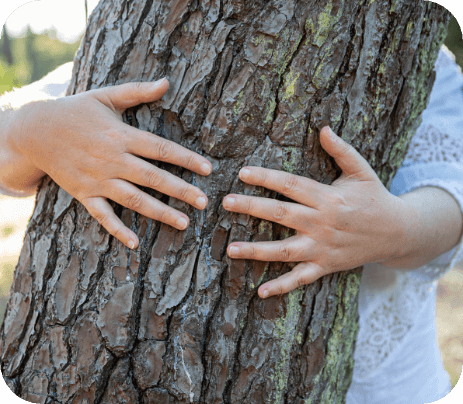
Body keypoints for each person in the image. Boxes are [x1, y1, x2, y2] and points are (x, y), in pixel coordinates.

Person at [1, 45, 462, 403]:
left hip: (384, 386)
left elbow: (454, 193)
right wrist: (31, 129)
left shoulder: (414, 54)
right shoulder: (138, 35)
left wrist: (397, 228)